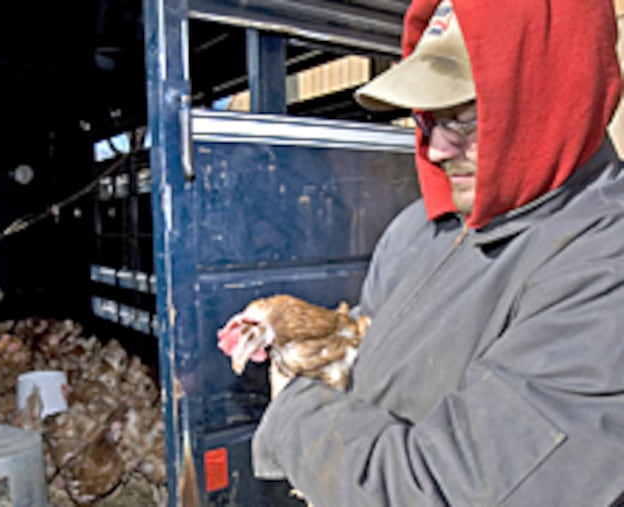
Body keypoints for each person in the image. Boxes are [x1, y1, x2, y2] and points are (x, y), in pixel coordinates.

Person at [251, 0, 624, 505]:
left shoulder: (603, 262)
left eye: (465, 119)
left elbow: (449, 490)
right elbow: (370, 343)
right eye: (429, 120)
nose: (435, 150)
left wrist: (293, 416)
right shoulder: (419, 230)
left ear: (551, 100)